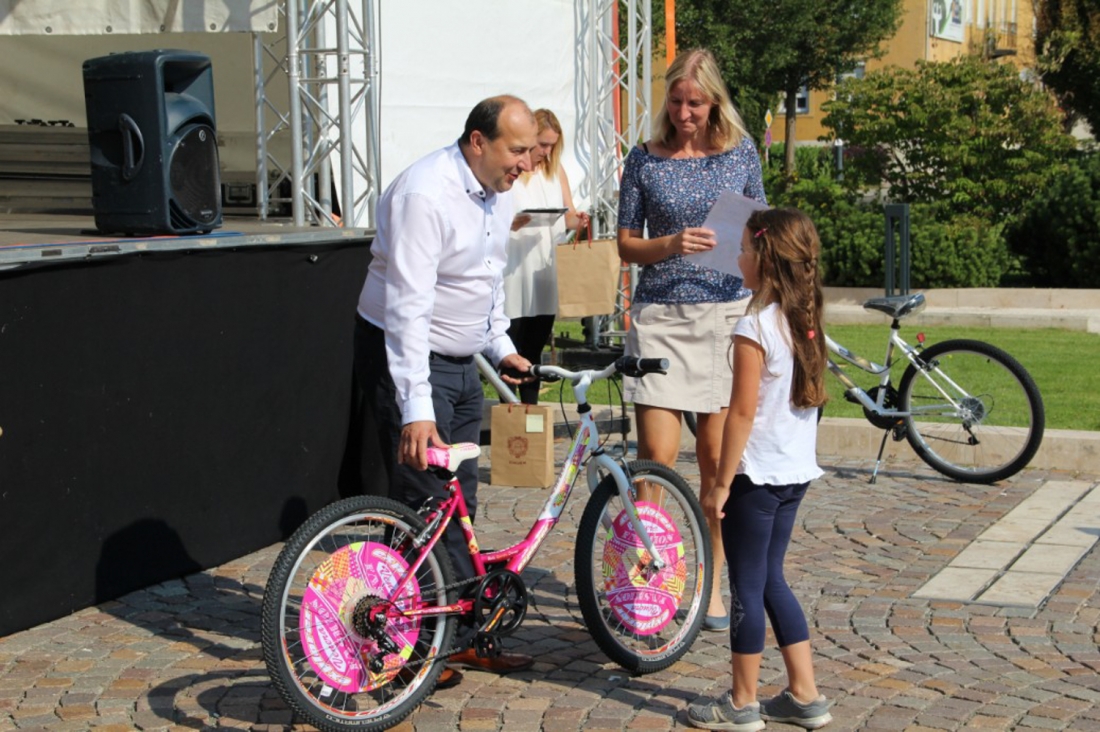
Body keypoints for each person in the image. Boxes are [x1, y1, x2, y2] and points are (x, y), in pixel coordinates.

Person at [353, 95, 539, 687]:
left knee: (459, 502)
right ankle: (405, 649)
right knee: (421, 503)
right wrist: (415, 408)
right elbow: (407, 308)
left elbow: (487, 277)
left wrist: (500, 344)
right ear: (478, 141)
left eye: (530, 151)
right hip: (409, 357)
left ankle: (459, 637)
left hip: (461, 361)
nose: (526, 163)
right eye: (517, 150)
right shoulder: (424, 194)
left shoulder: (497, 189)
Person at [616, 48, 767, 630]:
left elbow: (761, 229)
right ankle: (644, 582)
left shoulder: (741, 152)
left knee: (714, 463)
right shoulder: (644, 158)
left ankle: (710, 583)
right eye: (676, 101)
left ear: (714, 103)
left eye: (695, 103)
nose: (684, 113)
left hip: (725, 316)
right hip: (660, 315)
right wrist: (671, 244)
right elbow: (626, 244)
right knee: (655, 458)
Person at [688, 207, 832, 731]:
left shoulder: (755, 326)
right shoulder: (805, 318)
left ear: (766, 258)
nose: (738, 257)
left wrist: (720, 484)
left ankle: (742, 702)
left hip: (756, 476)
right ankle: (805, 694)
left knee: (747, 585)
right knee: (772, 578)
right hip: (794, 473)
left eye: (745, 249)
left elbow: (741, 413)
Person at [503, 108, 589, 404]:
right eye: (542, 144)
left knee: (534, 348)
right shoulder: (511, 170)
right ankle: (508, 412)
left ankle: (530, 413)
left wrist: (580, 220)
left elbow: (568, 216)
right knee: (511, 346)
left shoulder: (555, 170)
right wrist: (511, 222)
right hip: (513, 268)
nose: (546, 151)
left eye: (552, 145)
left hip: (544, 269)